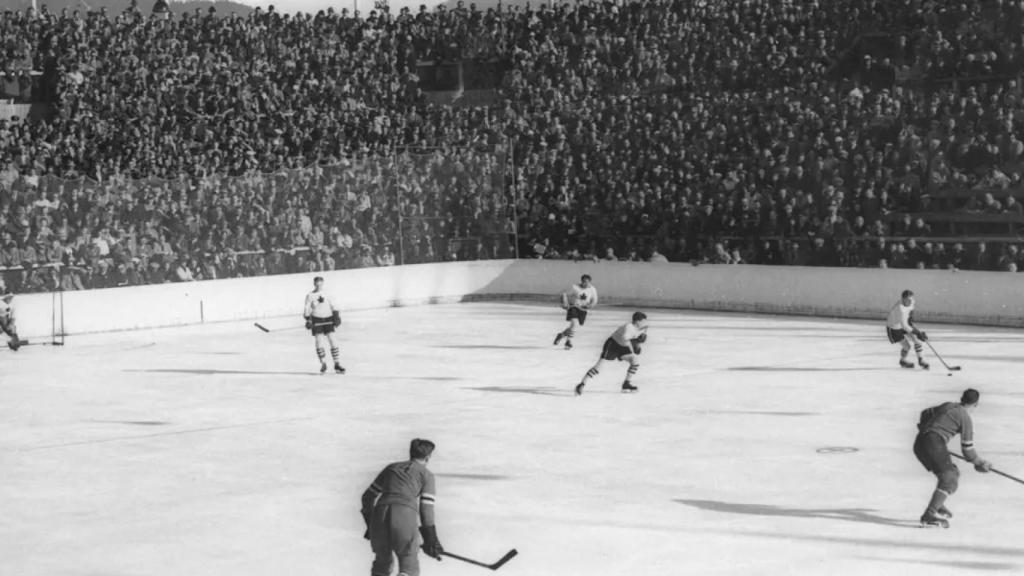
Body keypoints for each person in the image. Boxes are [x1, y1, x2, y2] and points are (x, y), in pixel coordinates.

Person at [361, 439, 443, 576]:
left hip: (379, 515)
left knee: (382, 564)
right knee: (409, 566)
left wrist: (371, 526)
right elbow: (426, 510)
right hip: (404, 516)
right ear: (428, 457)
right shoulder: (426, 475)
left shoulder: (391, 468)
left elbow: (367, 497)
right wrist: (431, 540)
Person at [913, 389, 993, 528]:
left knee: (952, 473)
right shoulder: (965, 418)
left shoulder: (948, 405)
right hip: (934, 443)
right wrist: (979, 462)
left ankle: (937, 504)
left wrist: (925, 430)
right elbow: (967, 450)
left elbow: (925, 413)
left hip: (920, 443)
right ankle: (929, 516)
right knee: (949, 479)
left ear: (962, 399)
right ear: (976, 404)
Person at [575, 311, 648, 395]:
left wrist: (638, 345)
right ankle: (582, 384)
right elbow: (626, 339)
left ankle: (626, 384)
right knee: (598, 367)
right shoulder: (629, 327)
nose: (644, 323)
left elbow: (635, 339)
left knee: (635, 360)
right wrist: (634, 346)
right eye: (643, 321)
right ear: (637, 321)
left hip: (622, 346)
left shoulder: (638, 329)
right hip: (612, 345)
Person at [303, 276, 345, 374]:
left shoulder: (327, 293)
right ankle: (323, 363)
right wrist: (308, 320)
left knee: (332, 340)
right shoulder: (309, 295)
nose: (318, 286)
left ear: (323, 284)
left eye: (320, 284)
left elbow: (334, 305)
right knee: (319, 341)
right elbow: (306, 309)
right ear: (314, 284)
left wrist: (336, 317)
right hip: (316, 319)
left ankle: (337, 364)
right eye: (317, 284)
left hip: (328, 318)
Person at [885, 289, 929, 369]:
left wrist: (916, 331)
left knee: (917, 341)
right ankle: (903, 361)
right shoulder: (899, 309)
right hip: (894, 327)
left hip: (903, 324)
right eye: (908, 300)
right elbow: (905, 326)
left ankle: (921, 360)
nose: (910, 301)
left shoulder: (912, 302)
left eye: (911, 299)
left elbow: (909, 318)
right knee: (907, 347)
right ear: (903, 299)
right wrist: (918, 333)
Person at [553, 274, 598, 350]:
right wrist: (565, 302)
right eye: (584, 282)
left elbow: (594, 301)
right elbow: (564, 294)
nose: (585, 284)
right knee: (574, 323)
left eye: (587, 282)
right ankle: (568, 342)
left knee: (573, 326)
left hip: (583, 310)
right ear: (581, 281)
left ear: (590, 282)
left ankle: (561, 335)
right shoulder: (575, 287)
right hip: (573, 307)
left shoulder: (592, 289)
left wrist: (590, 306)